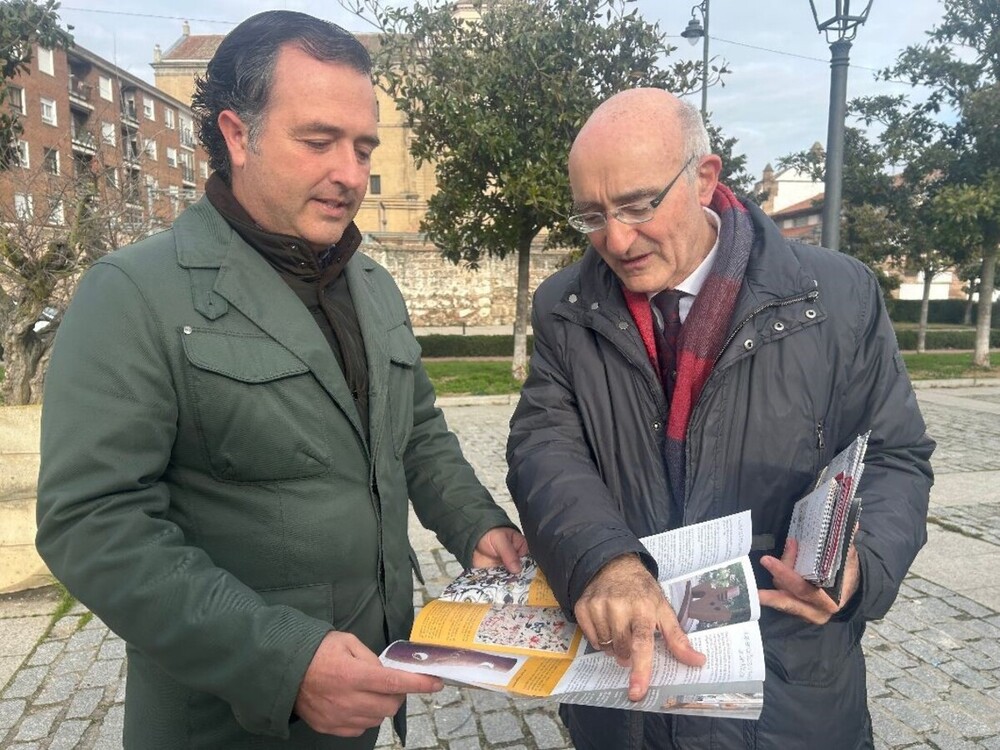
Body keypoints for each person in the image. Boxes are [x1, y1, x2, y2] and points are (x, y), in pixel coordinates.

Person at [35, 11, 526, 749]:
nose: (350, 174)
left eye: (362, 147)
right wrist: (284, 661)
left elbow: (417, 431)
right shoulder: (134, 292)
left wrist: (476, 523)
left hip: (363, 692)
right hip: (227, 719)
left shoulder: (373, 286)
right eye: (318, 141)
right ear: (238, 134)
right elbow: (91, 522)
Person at [506, 88, 934, 749]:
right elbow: (545, 446)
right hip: (629, 693)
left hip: (790, 690)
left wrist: (863, 561)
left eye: (638, 205)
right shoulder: (564, 305)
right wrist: (603, 563)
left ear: (705, 178)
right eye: (591, 215)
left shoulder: (838, 295)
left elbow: (895, 457)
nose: (615, 239)